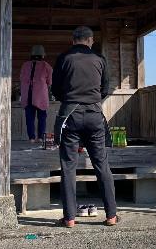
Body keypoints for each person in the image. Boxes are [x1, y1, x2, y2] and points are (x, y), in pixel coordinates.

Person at [52, 26, 118, 228]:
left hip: (69, 116)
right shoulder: (99, 59)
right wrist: (91, 100)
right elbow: (105, 89)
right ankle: (111, 216)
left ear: (73, 41)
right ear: (90, 40)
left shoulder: (63, 58)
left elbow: (55, 90)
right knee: (101, 165)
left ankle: (70, 218)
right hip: (94, 115)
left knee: (68, 167)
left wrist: (72, 101)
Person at [20, 45, 53, 143]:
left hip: (27, 95)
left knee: (29, 117)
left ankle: (31, 138)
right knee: (42, 117)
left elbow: (21, 78)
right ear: (42, 55)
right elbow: (50, 81)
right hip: (41, 95)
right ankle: (40, 137)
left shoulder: (25, 65)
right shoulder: (46, 66)